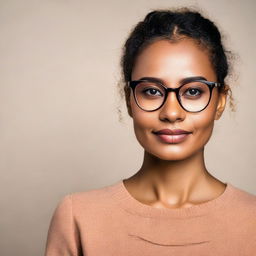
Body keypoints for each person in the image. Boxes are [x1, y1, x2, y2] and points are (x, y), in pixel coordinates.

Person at [44, 7, 256, 255]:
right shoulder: (77, 217)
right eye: (152, 91)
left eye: (193, 91)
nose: (172, 113)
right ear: (129, 100)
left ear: (220, 101)